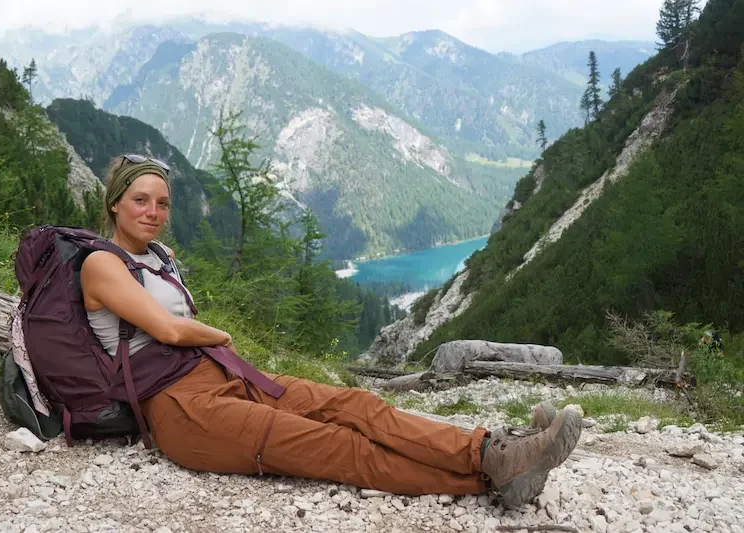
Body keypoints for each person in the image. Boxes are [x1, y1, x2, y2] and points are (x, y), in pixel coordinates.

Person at [78, 154, 582, 508]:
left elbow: (177, 327)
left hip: (219, 376)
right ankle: (493, 480)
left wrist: (213, 345)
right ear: (116, 203)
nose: (154, 213)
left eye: (162, 203)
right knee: (337, 446)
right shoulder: (101, 263)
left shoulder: (159, 258)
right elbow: (167, 329)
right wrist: (221, 336)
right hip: (180, 408)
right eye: (141, 200)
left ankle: (492, 449)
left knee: (356, 406)